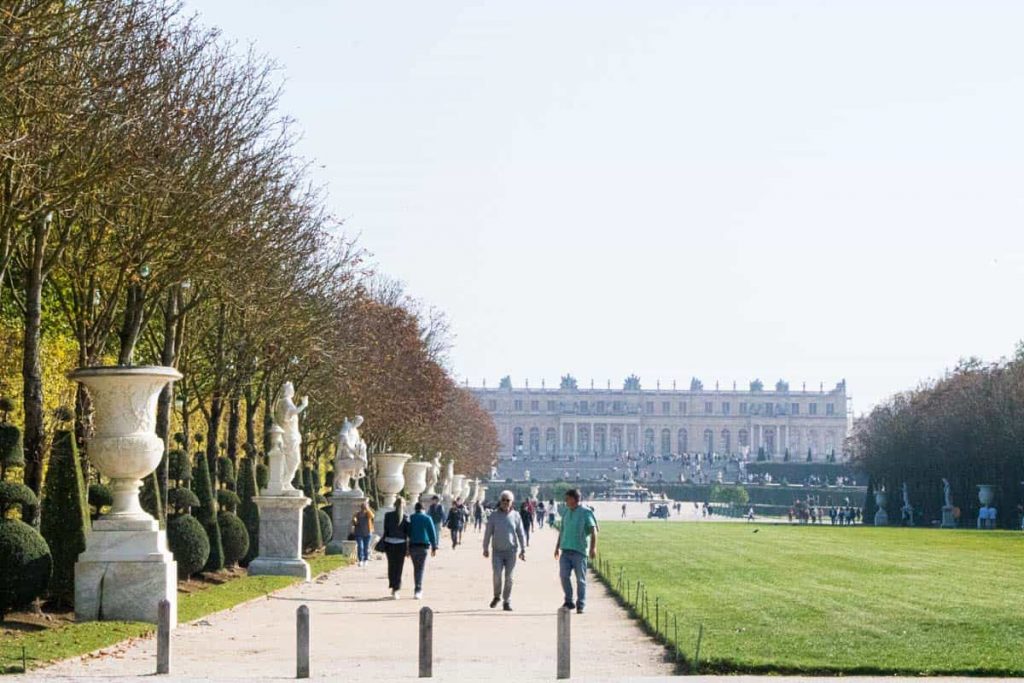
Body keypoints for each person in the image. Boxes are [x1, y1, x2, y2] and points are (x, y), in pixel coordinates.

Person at [554, 489, 597, 614]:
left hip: (580, 551)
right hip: (566, 550)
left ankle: (581, 604)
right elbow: (562, 531)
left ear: (574, 499)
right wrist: (557, 547)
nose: (565, 501)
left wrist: (593, 548)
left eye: (567, 498)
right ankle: (569, 600)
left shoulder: (585, 512)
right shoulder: (566, 512)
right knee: (563, 576)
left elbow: (593, 531)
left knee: (580, 579)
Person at [483, 490, 526, 611]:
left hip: (511, 551)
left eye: (508, 500)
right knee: (497, 575)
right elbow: (488, 533)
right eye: (503, 500)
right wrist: (485, 548)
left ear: (512, 502)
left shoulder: (516, 515)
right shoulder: (494, 516)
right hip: (497, 551)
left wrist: (523, 549)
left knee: (509, 578)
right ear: (500, 501)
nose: (505, 502)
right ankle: (497, 596)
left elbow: (521, 533)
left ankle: (507, 601)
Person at [407, 501, 438, 600]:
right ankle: (418, 589)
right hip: (423, 547)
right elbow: (432, 533)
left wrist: (406, 549)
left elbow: (407, 534)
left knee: (416, 568)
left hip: (412, 546)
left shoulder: (411, 518)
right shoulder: (427, 518)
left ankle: (417, 587)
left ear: (415, 509)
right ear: (423, 509)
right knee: (420, 569)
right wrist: (434, 547)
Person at [382, 496, 410, 599]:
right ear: (404, 505)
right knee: (399, 567)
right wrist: (408, 548)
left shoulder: (388, 515)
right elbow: (408, 533)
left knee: (391, 565)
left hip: (389, 543)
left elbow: (386, 530)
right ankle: (396, 588)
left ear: (394, 505)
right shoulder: (406, 517)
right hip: (401, 544)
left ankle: (393, 585)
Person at [352, 499, 374, 567]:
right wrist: (354, 519)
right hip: (359, 533)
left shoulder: (368, 513)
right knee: (360, 547)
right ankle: (361, 560)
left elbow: (372, 516)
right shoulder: (357, 514)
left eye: (365, 506)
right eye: (363, 506)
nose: (364, 507)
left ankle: (366, 559)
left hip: (367, 533)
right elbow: (354, 521)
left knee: (366, 547)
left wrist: (368, 509)